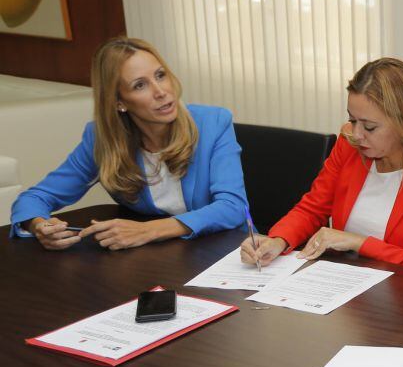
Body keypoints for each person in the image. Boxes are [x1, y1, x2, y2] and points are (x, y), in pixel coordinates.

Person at [11, 37, 248, 249]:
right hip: (161, 260)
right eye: (139, 85)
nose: (161, 91)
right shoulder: (101, 140)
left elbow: (232, 207)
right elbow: (34, 199)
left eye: (160, 75)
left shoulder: (213, 123)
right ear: (118, 102)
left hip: (225, 253)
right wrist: (40, 226)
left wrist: (148, 231)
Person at [240, 58, 403, 272]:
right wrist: (278, 240)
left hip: (402, 297)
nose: (357, 134)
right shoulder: (349, 145)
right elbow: (313, 208)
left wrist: (359, 243)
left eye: (369, 127)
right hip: (342, 285)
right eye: (352, 120)